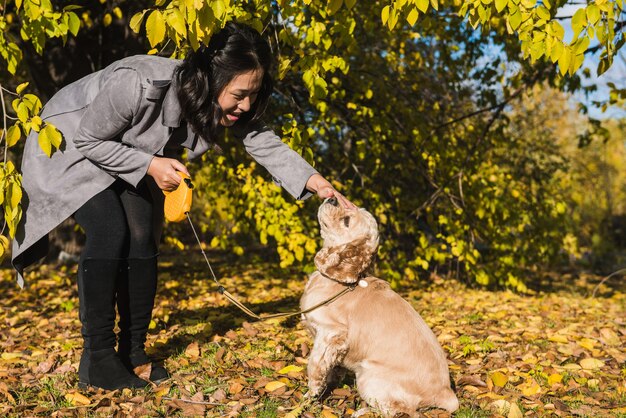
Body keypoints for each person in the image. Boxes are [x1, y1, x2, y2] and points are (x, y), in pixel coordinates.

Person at [11, 22, 355, 391]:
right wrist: (150, 165)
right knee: (111, 230)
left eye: (254, 95)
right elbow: (90, 139)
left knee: (143, 234)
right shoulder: (139, 82)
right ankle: (97, 360)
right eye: (240, 94)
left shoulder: (220, 100)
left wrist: (314, 181)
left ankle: (133, 353)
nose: (247, 105)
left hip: (125, 152)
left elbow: (261, 139)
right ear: (211, 78)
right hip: (70, 147)